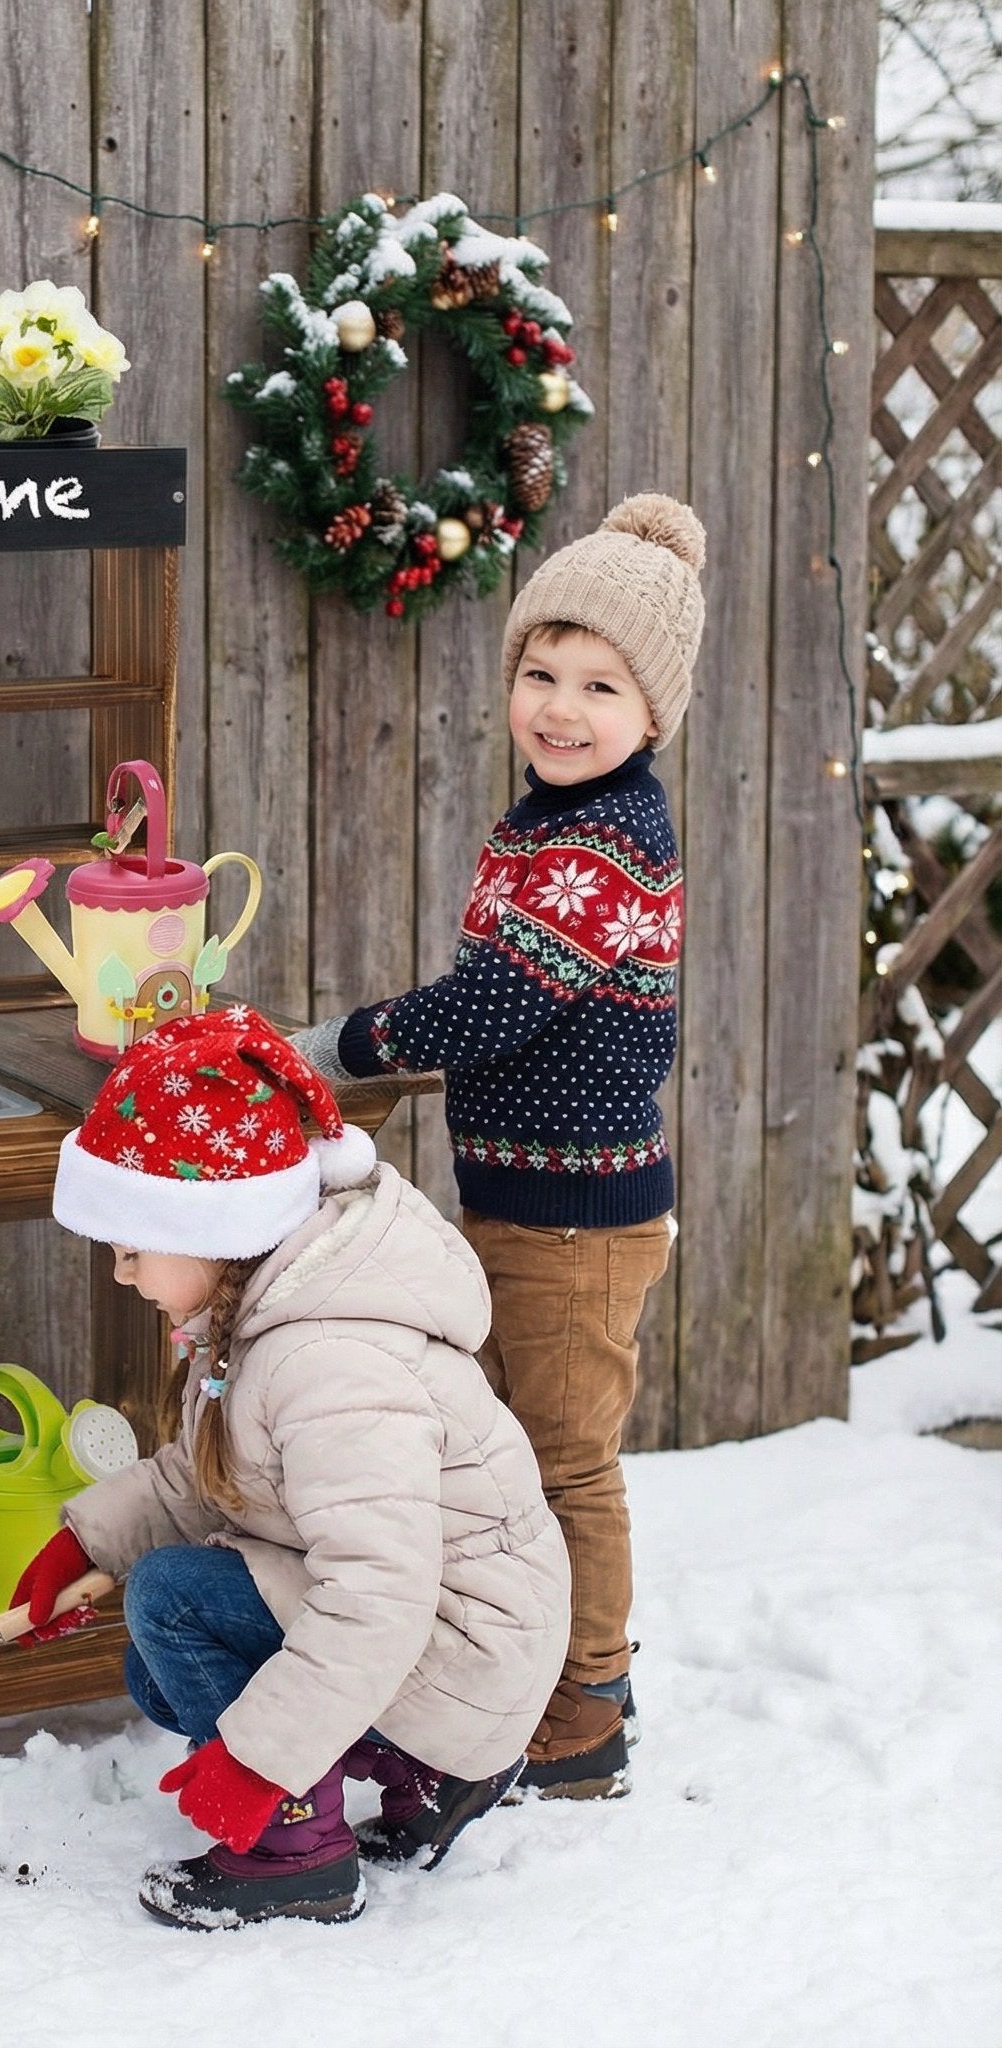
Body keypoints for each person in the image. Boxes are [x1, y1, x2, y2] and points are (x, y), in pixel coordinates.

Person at [293, 493, 703, 1799]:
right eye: (540, 671)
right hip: (530, 1203)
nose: (560, 706)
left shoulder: (608, 839)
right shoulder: (545, 820)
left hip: (578, 1226)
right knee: (522, 1443)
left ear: (653, 716)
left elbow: (496, 1001)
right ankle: (546, 1667)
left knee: (565, 1457)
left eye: (600, 685)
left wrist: (345, 1044)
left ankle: (585, 1710)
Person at [14, 1008, 569, 1929]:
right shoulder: (263, 1310)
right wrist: (86, 1546)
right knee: (160, 1667)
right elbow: (212, 1476)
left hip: (464, 1643)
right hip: (439, 1630)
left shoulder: (329, 1364)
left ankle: (293, 1852)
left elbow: (378, 1592)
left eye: (130, 1249)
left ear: (209, 1231)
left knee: (174, 1602)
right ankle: (416, 1771)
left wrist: (259, 1760)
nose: (120, 1275)